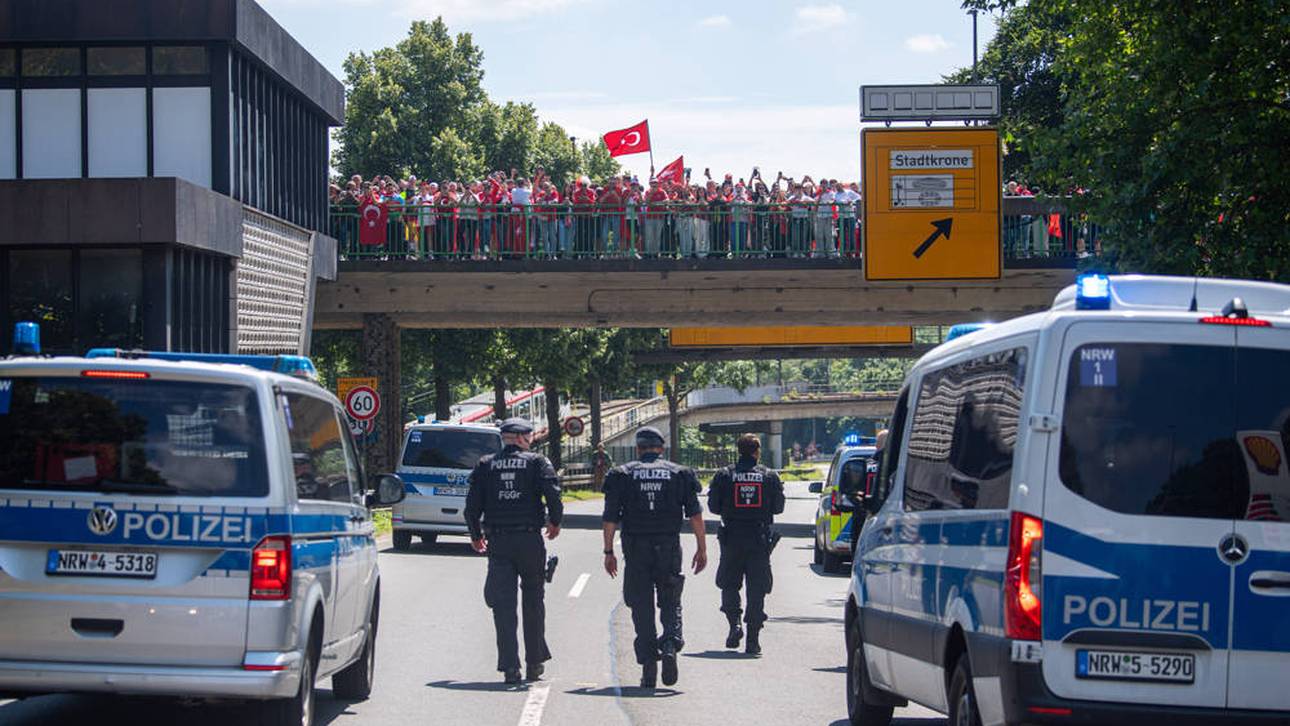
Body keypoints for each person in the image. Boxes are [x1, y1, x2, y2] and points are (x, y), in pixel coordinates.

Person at [601, 426, 707, 689]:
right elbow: (695, 515)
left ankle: (649, 665)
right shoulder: (679, 473)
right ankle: (670, 642)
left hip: (636, 550)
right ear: (661, 448)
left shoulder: (621, 475)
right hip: (669, 547)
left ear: (638, 449)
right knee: (671, 599)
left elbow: (610, 518)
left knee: (641, 606)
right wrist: (701, 548)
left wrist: (608, 551)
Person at [464, 418, 563, 685]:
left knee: (503, 606)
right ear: (520, 438)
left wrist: (475, 535)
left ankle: (510, 667)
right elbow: (552, 493)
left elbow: (472, 505)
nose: (531, 440)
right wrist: (555, 521)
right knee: (534, 601)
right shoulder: (537, 462)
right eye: (529, 436)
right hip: (530, 540)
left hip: (499, 542)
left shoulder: (486, 465)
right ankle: (534, 663)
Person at [706, 434, 785, 656]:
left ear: (739, 451)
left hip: (732, 537)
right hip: (759, 538)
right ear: (757, 451)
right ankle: (753, 640)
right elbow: (779, 508)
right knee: (757, 588)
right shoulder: (769, 476)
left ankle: (735, 625)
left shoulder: (725, 475)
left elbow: (713, 506)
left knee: (729, 584)